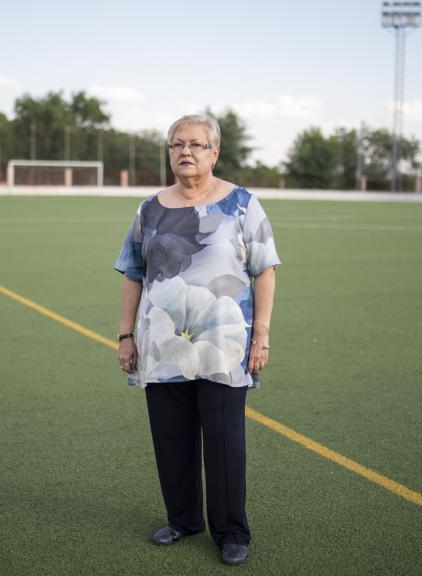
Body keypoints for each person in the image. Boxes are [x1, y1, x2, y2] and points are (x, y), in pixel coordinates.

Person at [113, 114, 280, 566]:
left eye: (196, 145)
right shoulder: (149, 208)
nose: (185, 152)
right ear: (169, 152)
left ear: (215, 152)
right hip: (163, 344)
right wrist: (126, 336)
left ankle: (231, 532)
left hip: (225, 346)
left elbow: (264, 268)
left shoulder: (242, 204)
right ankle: (184, 518)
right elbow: (132, 272)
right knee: (171, 438)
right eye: (176, 144)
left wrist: (260, 333)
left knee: (225, 440)